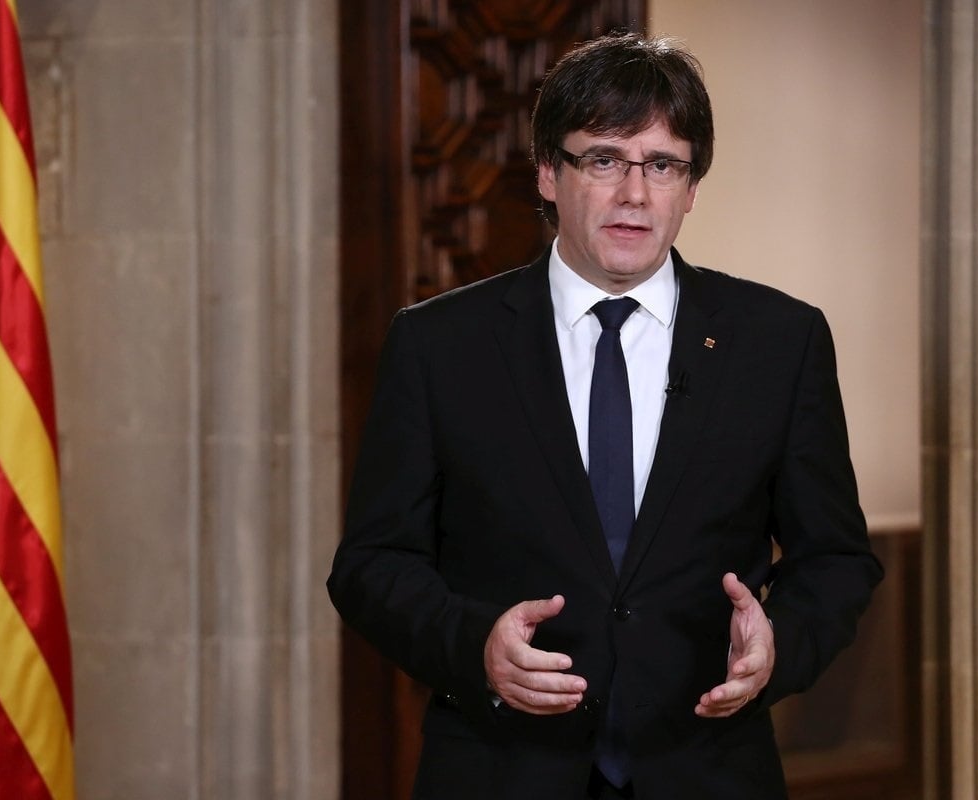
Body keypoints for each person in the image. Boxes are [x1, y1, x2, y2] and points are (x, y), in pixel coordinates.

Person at [328, 32, 883, 800]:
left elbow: (837, 561)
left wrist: (778, 647)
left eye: (662, 164)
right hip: (500, 771)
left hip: (708, 770)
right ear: (549, 174)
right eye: (604, 159)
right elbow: (371, 565)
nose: (634, 193)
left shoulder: (779, 342)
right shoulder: (438, 344)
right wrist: (473, 646)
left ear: (691, 188)